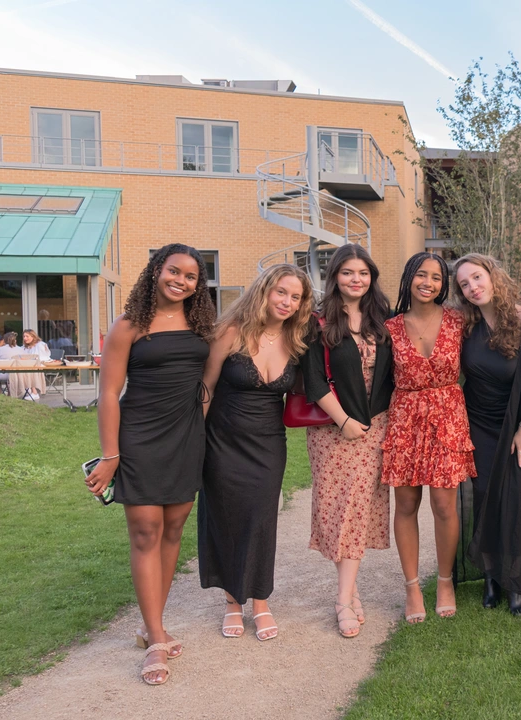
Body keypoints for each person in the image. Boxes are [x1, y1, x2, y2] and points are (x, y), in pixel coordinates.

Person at [84, 243, 215, 685]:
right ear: (156, 270)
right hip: (139, 439)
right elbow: (107, 394)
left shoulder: (201, 326)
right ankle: (157, 636)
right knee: (146, 532)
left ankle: (149, 624)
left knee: (174, 529)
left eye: (191, 276)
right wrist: (110, 456)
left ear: (199, 284)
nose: (180, 280)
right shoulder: (128, 326)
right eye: (173, 271)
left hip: (186, 439)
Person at [198, 264, 312, 641]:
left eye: (295, 297)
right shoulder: (230, 332)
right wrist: (192, 441)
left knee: (262, 518)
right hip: (223, 440)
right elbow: (206, 389)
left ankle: (260, 601)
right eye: (282, 292)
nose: (287, 302)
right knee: (227, 516)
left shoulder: (296, 341)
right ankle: (233, 601)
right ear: (264, 290)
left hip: (267, 443)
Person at [302, 243, 395, 638]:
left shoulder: (385, 319)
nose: (356, 280)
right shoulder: (318, 322)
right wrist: (342, 421)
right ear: (335, 276)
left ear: (371, 276)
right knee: (343, 509)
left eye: (363, 273)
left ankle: (348, 590)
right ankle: (343, 600)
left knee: (357, 509)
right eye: (347, 272)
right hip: (334, 431)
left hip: (376, 427)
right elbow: (313, 380)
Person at [382, 253, 476, 624]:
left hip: (448, 416)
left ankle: (445, 582)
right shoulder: (389, 327)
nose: (429, 282)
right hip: (405, 418)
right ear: (408, 278)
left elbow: (501, 313)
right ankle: (411, 587)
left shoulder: (459, 319)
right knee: (405, 504)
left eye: (437, 277)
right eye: (421, 275)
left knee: (443, 505)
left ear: (444, 284)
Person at [454, 254, 521, 617]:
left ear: (493, 277)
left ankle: (516, 584)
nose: (473, 287)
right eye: (464, 284)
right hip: (477, 426)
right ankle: (490, 577)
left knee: (517, 500)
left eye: (477, 277)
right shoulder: (465, 327)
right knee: (484, 499)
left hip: (514, 425)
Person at [13, 329, 52, 400]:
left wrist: (28, 360)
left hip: (40, 365)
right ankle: (23, 390)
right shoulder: (24, 347)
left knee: (29, 369)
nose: (25, 338)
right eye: (24, 336)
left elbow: (42, 358)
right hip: (28, 365)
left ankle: (34, 392)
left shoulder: (40, 345)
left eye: (27, 336)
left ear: (33, 337)